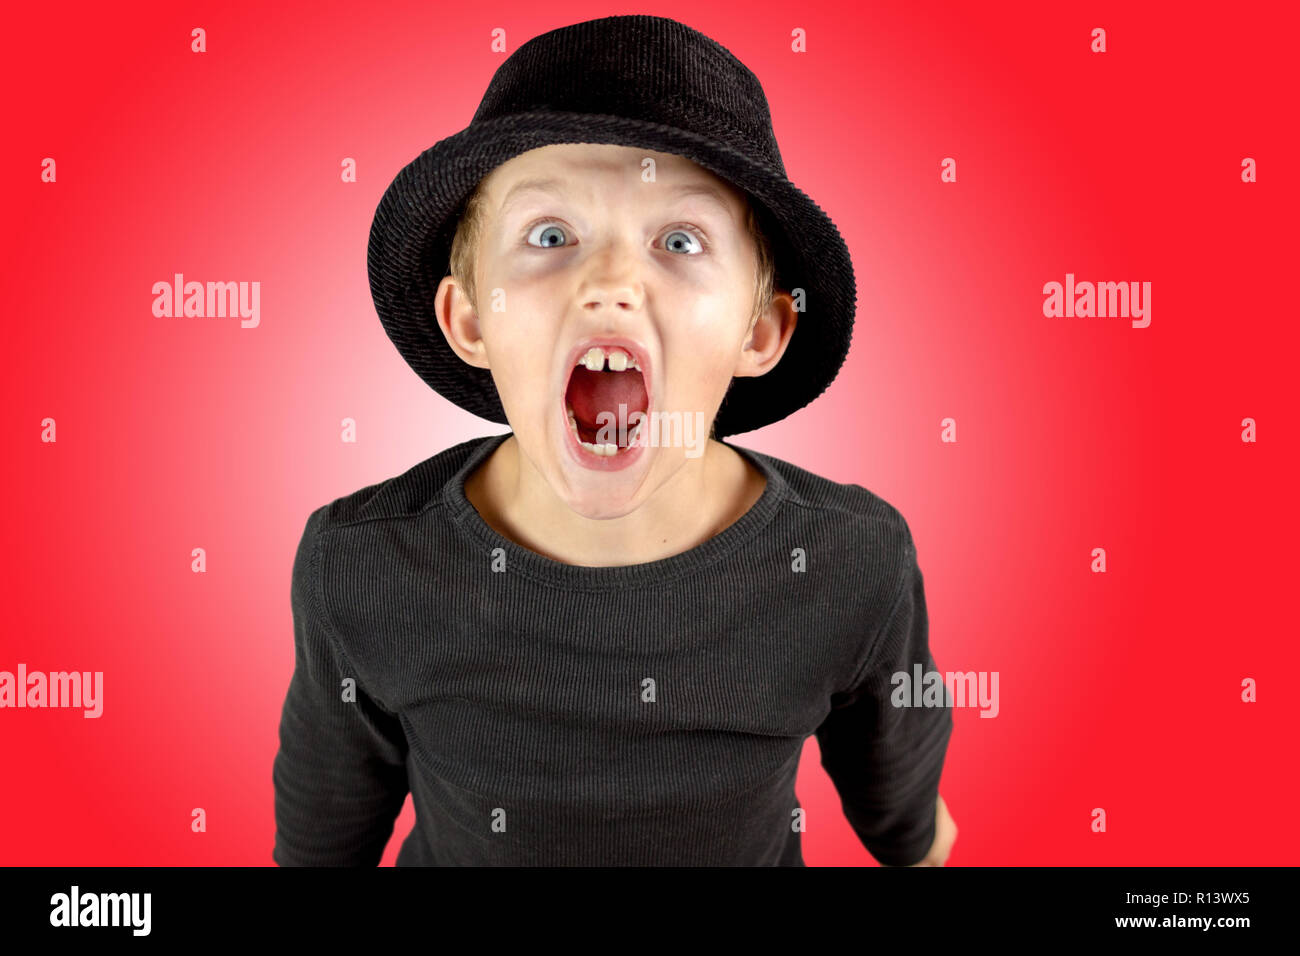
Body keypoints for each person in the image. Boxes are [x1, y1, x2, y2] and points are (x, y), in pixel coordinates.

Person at [272, 13, 956, 867]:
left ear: (762, 333)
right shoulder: (361, 564)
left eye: (680, 239)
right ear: (471, 319)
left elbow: (913, 832)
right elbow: (319, 845)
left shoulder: (852, 561)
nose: (610, 284)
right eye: (551, 235)